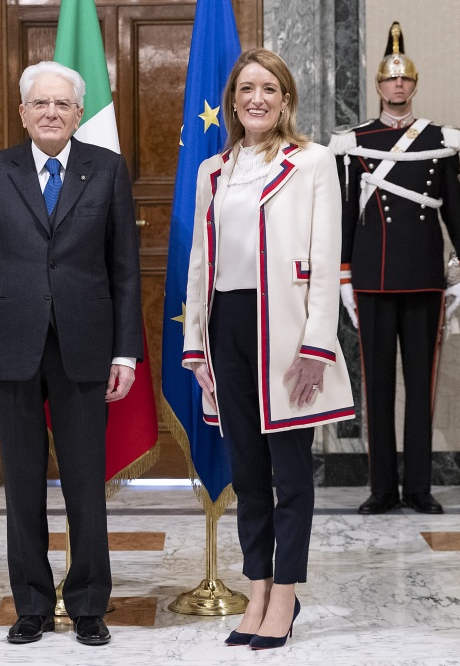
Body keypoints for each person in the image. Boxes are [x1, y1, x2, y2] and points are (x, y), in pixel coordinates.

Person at [0, 61, 142, 646]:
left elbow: (125, 271)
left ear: (78, 113)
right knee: (23, 484)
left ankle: (89, 604)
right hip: (9, 345)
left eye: (62, 104)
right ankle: (31, 604)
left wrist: (127, 353)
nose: (51, 113)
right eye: (40, 104)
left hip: (84, 346)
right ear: (22, 112)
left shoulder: (106, 170)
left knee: (87, 482)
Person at [182, 48, 355, 651]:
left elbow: (327, 258)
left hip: (283, 328)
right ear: (232, 100)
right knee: (248, 474)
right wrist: (196, 345)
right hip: (227, 324)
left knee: (289, 472)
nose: (257, 98)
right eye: (247, 88)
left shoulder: (311, 162)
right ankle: (256, 586)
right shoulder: (213, 170)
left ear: (286, 100)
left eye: (269, 89)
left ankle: (286, 592)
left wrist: (317, 344)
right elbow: (201, 265)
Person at [329, 22, 460, 516]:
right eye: (390, 80)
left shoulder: (440, 139)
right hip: (372, 278)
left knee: (421, 387)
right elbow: (346, 213)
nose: (398, 86)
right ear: (378, 86)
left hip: (423, 278)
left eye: (406, 80)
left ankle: (419, 487)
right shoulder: (355, 142)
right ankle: (381, 489)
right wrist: (345, 275)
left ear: (414, 85)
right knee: (377, 387)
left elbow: (454, 207)